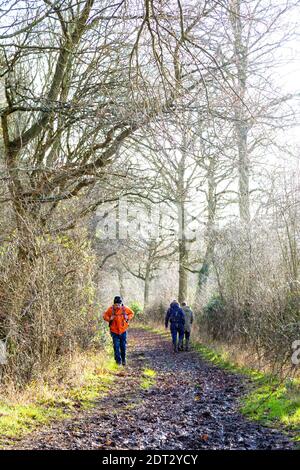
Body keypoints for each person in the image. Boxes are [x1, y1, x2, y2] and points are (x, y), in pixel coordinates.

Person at [103, 296, 134, 366]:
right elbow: (104, 316)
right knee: (116, 347)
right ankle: (118, 362)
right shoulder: (110, 309)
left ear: (121, 304)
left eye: (118, 305)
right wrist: (109, 318)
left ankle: (123, 360)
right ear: (114, 304)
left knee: (123, 346)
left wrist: (128, 317)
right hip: (114, 331)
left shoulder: (125, 309)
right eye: (116, 305)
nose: (117, 306)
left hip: (123, 331)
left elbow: (132, 313)